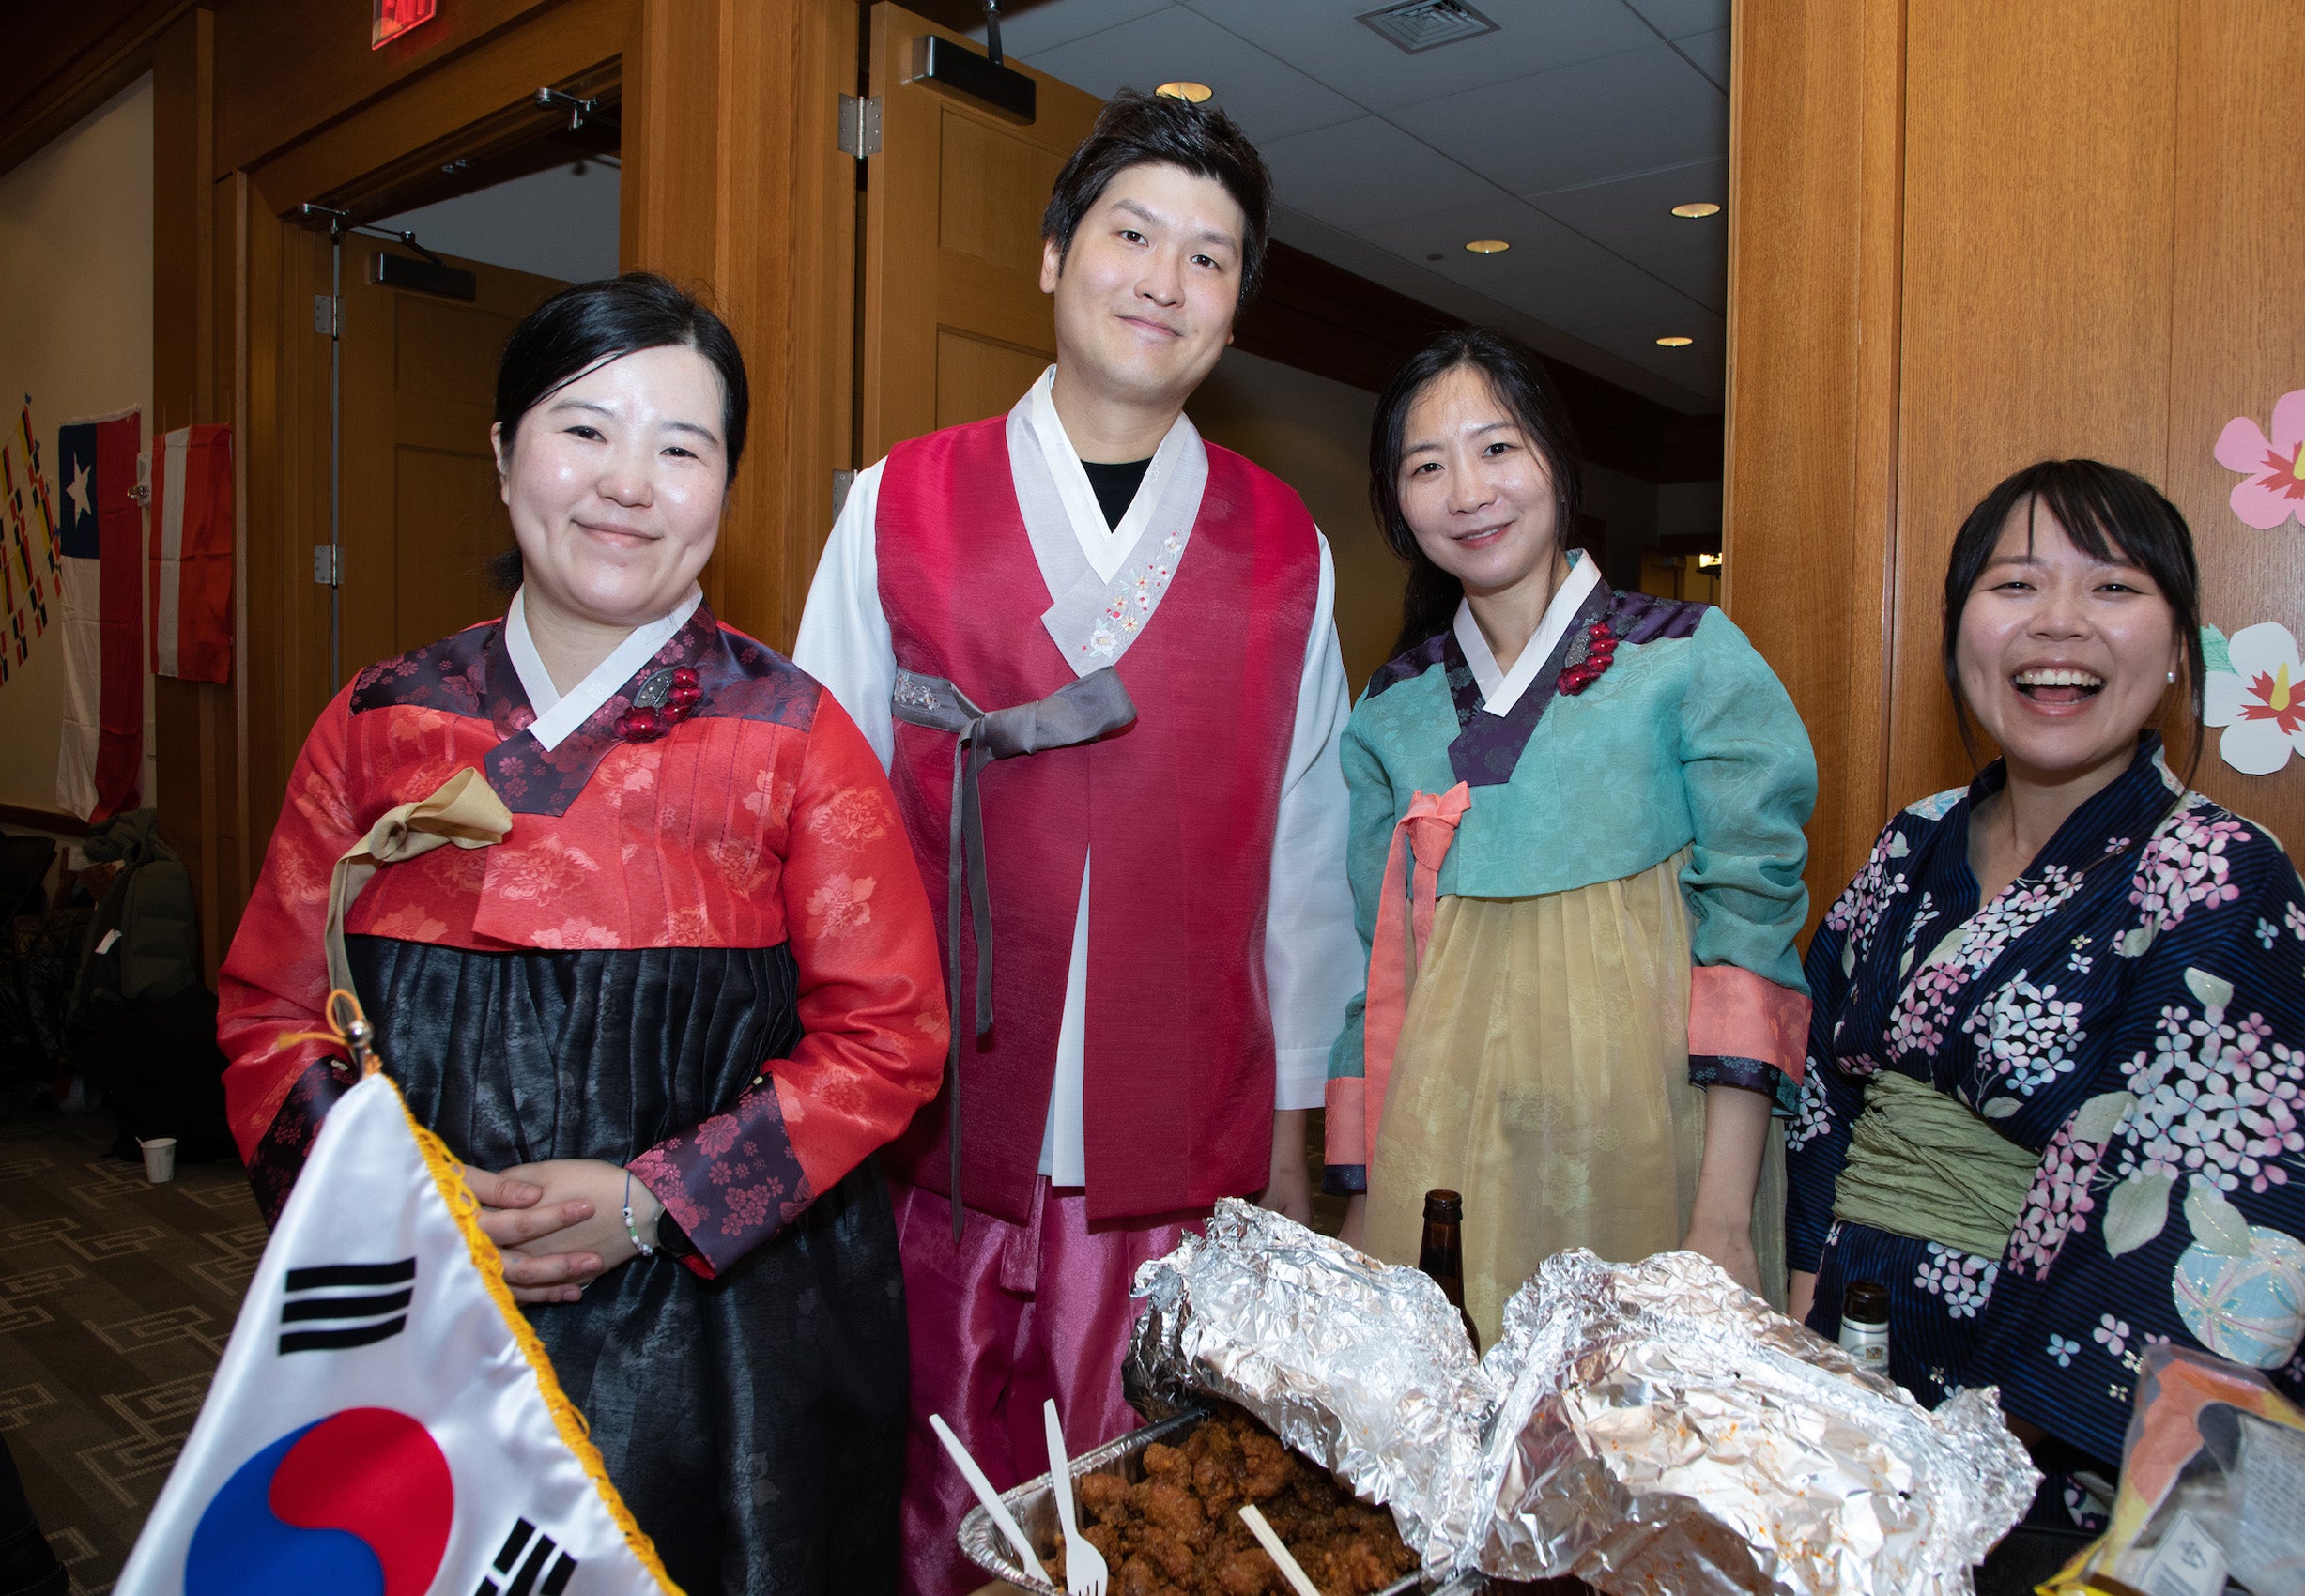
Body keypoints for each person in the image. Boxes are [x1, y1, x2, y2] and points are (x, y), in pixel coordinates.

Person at [217, 273, 946, 1593]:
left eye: (681, 447)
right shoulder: (378, 725)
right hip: (424, 1312)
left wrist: (654, 1202)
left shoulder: (795, 739)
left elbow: (890, 1039)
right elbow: (269, 1015)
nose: (627, 481)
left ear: (724, 487)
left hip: (724, 1340)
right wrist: (408, 1215)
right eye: (584, 429)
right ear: (504, 456)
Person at [792, 91, 1361, 1594]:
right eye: (1130, 234)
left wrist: (1296, 1139)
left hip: (1182, 1158)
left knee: (1154, 1517)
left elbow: (1304, 868)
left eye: (1210, 257)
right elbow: (818, 824)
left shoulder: (1280, 545)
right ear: (1053, 257)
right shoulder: (891, 504)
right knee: (920, 1511)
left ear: (1236, 308)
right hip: (931, 1139)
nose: (1163, 280)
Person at [1786, 459, 2305, 1526]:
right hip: (1848, 1378)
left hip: (2046, 1435)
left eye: (2113, 587)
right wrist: (1800, 1312)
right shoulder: (1913, 840)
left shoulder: (2220, 872)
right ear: (1958, 631)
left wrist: (2003, 1439)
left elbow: (2250, 1205)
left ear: (2177, 651)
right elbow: (1821, 1088)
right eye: (2014, 585)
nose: (2058, 623)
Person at [1327, 328, 1816, 1333]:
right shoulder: (1392, 708)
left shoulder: (1690, 661)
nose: (1468, 490)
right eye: (1427, 466)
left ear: (1558, 457)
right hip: (1443, 1156)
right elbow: (1375, 975)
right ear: (1395, 501)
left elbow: (1752, 940)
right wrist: (1363, 1198)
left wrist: (1722, 1217)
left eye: (1498, 447)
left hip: (1652, 1156)